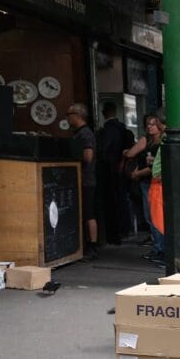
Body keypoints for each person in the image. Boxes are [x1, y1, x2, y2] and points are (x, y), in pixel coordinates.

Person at [125, 113, 166, 264]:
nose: (150, 127)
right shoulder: (149, 142)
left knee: (156, 218)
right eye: (148, 124)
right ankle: (157, 248)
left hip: (153, 182)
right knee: (150, 218)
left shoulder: (161, 142)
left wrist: (138, 173)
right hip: (146, 182)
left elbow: (155, 167)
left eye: (154, 124)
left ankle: (161, 249)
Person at [67, 102, 98, 260]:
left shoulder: (85, 134)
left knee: (89, 213)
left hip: (86, 179)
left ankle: (92, 246)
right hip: (84, 179)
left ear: (77, 115)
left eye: (69, 114)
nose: (67, 118)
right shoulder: (81, 133)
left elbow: (88, 156)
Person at [96, 102, 131, 245]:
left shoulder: (107, 130)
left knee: (111, 201)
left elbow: (104, 150)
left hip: (109, 170)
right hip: (122, 169)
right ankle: (125, 228)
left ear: (104, 113)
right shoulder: (124, 129)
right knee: (122, 199)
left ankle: (114, 233)